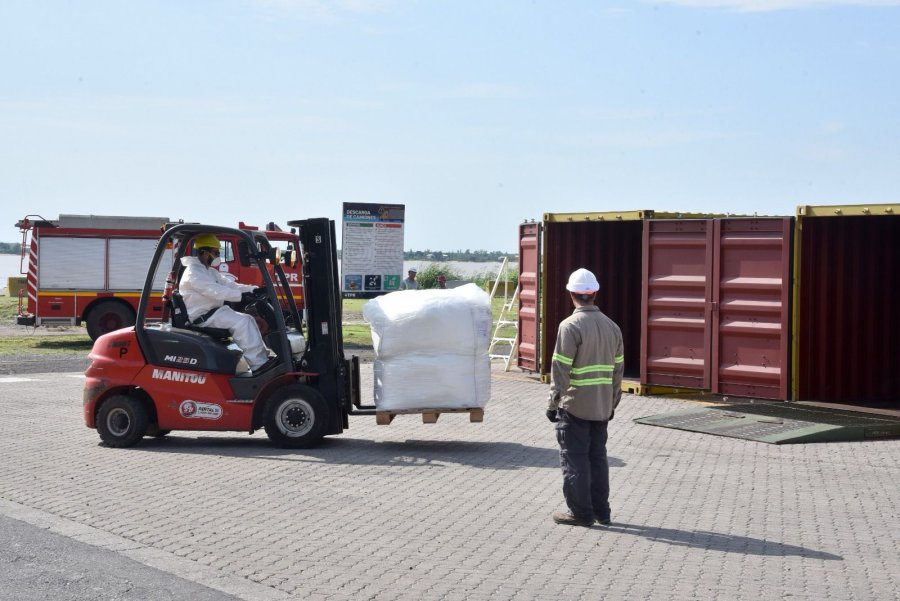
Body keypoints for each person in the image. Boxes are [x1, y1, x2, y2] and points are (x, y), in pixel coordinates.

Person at [547, 268, 624, 527]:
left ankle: (581, 513)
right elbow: (618, 371)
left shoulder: (570, 326)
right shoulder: (612, 327)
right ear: (595, 293)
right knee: (598, 460)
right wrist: (612, 403)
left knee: (574, 459)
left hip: (575, 407)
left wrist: (553, 403)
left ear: (571, 294)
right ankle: (602, 512)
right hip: (602, 407)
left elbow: (561, 369)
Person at [178, 234, 275, 374]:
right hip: (203, 316)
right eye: (216, 252)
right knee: (242, 322)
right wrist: (241, 296)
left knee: (248, 319)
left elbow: (231, 285)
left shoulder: (209, 271)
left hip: (214, 312)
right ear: (204, 252)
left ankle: (262, 358)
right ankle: (259, 365)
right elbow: (215, 291)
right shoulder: (193, 273)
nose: (218, 256)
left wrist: (253, 290)